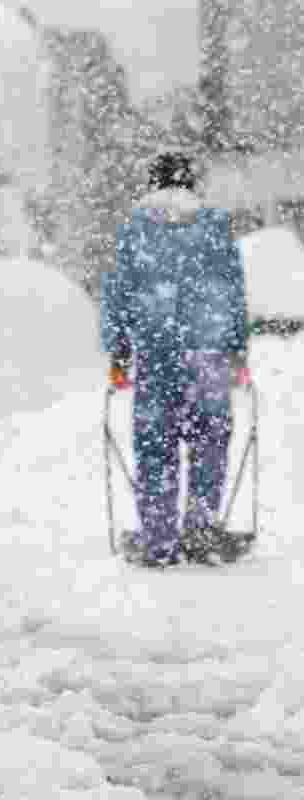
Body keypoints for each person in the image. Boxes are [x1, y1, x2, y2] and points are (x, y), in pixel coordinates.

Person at [101, 151, 251, 568]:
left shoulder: (135, 231)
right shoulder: (215, 226)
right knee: (209, 443)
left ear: (154, 184)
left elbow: (119, 293)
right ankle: (202, 531)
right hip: (208, 353)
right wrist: (238, 349)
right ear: (192, 184)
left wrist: (118, 350)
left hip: (157, 352)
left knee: (155, 447)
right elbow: (232, 292)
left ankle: (159, 540)